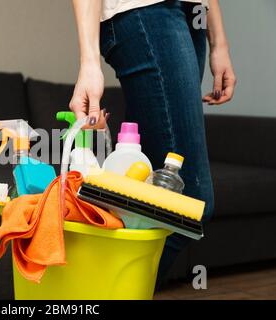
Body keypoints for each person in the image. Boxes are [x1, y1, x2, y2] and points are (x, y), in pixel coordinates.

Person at [70, 0, 237, 287]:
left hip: (191, 14)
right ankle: (90, 293)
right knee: (191, 201)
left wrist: (219, 42)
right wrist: (88, 62)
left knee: (137, 200)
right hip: (144, 12)